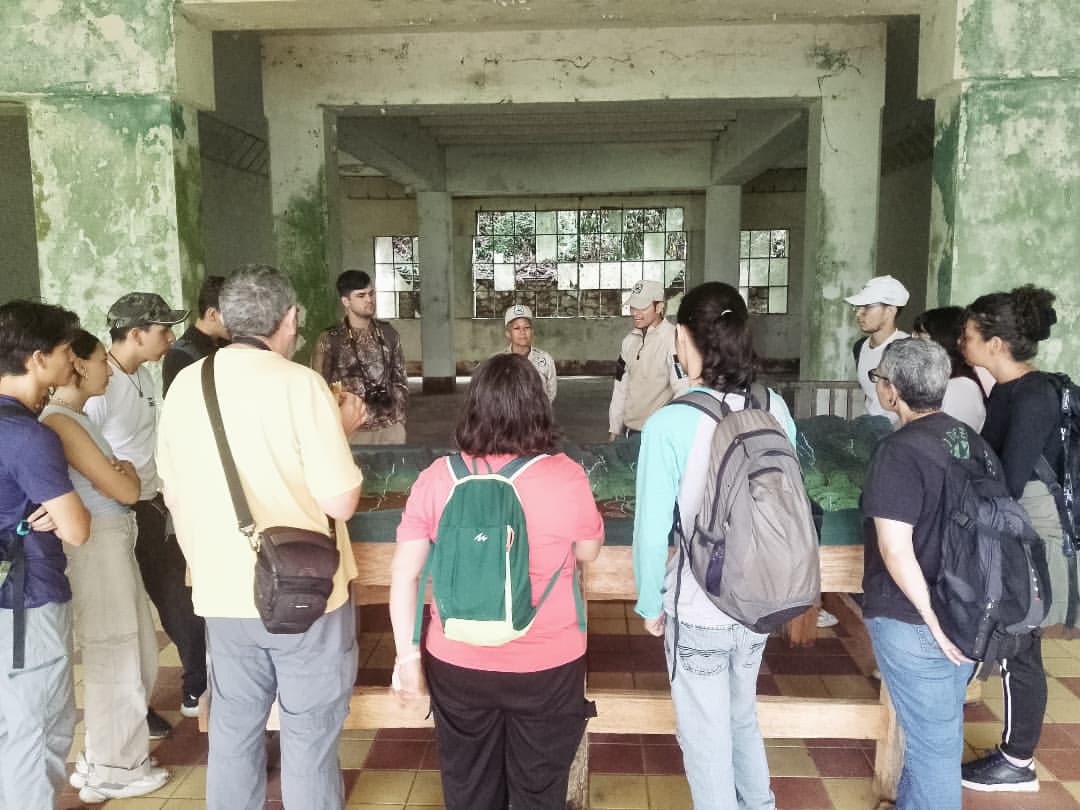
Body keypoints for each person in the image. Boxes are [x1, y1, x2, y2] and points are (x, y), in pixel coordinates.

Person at [157, 264, 366, 810]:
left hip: (223, 592)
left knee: (232, 730)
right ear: (289, 318)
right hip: (306, 594)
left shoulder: (187, 384)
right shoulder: (302, 385)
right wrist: (341, 431)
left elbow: (173, 496)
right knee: (308, 736)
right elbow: (340, 501)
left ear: (226, 318)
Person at [390, 353, 604, 810]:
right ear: (539, 406)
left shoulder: (437, 478)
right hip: (547, 665)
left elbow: (405, 574)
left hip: (457, 663)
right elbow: (587, 551)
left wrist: (407, 659)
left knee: (469, 789)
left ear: (473, 406)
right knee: (539, 793)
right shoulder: (566, 476)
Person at [633, 282, 797, 810]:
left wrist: (650, 604)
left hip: (701, 603)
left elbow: (651, 529)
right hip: (760, 599)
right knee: (741, 716)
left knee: (705, 739)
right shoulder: (775, 407)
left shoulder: (670, 423)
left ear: (684, 337)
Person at [40, 329, 168, 803]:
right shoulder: (62, 421)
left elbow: (126, 477)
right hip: (96, 546)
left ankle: (103, 758)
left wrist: (123, 471)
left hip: (112, 540)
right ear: (77, 364)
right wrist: (123, 472)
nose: (108, 372)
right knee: (115, 653)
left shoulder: (75, 419)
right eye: (100, 362)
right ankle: (114, 769)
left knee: (136, 652)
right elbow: (127, 489)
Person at [861, 337, 977, 810]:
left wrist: (931, 618)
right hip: (966, 609)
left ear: (892, 391)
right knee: (934, 733)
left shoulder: (899, 451)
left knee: (933, 750)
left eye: (879, 380)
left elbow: (894, 547)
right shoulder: (968, 440)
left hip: (918, 619)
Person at [958, 284, 1063, 793]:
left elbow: (1010, 477)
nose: (962, 343)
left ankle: (1018, 761)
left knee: (1020, 645)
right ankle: (1015, 755)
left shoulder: (1035, 395)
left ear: (995, 343)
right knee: (1013, 640)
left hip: (1033, 533)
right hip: (1012, 525)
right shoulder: (1005, 390)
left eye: (969, 335)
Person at [84, 291, 205, 733]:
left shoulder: (145, 377)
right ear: (135, 334)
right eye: (163, 330)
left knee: (180, 599)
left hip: (152, 506)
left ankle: (197, 688)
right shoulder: (101, 388)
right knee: (128, 617)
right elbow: (80, 452)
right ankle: (134, 709)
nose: (170, 338)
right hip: (119, 511)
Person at [0, 300, 90, 809]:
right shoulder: (29, 437)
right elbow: (76, 529)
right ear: (37, 359)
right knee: (38, 732)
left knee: (11, 727)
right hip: (26, 603)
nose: (71, 361)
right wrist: (63, 513)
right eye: (64, 351)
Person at [311, 269, 409, 445]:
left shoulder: (388, 333)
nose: (369, 300)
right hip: (353, 430)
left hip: (390, 427)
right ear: (346, 301)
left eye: (371, 293)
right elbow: (319, 387)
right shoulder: (331, 339)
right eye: (361, 295)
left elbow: (400, 377)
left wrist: (399, 418)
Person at [608, 279, 689, 440]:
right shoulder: (629, 342)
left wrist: (671, 432)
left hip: (657, 435)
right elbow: (620, 388)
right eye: (633, 307)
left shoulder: (673, 340)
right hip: (629, 432)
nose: (635, 313)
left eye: (642, 307)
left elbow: (682, 390)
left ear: (659, 307)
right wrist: (614, 429)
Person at [844, 274, 910, 424]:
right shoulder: (860, 347)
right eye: (858, 307)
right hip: (869, 426)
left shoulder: (909, 348)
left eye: (867, 307)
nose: (858, 313)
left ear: (890, 311)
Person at [911, 306, 986, 431]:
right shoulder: (933, 380)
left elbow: (951, 438)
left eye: (921, 336)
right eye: (914, 335)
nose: (912, 343)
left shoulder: (960, 388)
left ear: (944, 340)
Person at [162, 275, 230, 396]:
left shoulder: (230, 344)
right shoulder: (179, 355)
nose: (239, 320)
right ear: (212, 314)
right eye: (232, 313)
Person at [502, 304, 557, 402]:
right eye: (517, 328)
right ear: (508, 333)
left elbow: (551, 392)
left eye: (527, 327)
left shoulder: (545, 359)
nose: (522, 332)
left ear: (532, 331)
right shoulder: (500, 361)